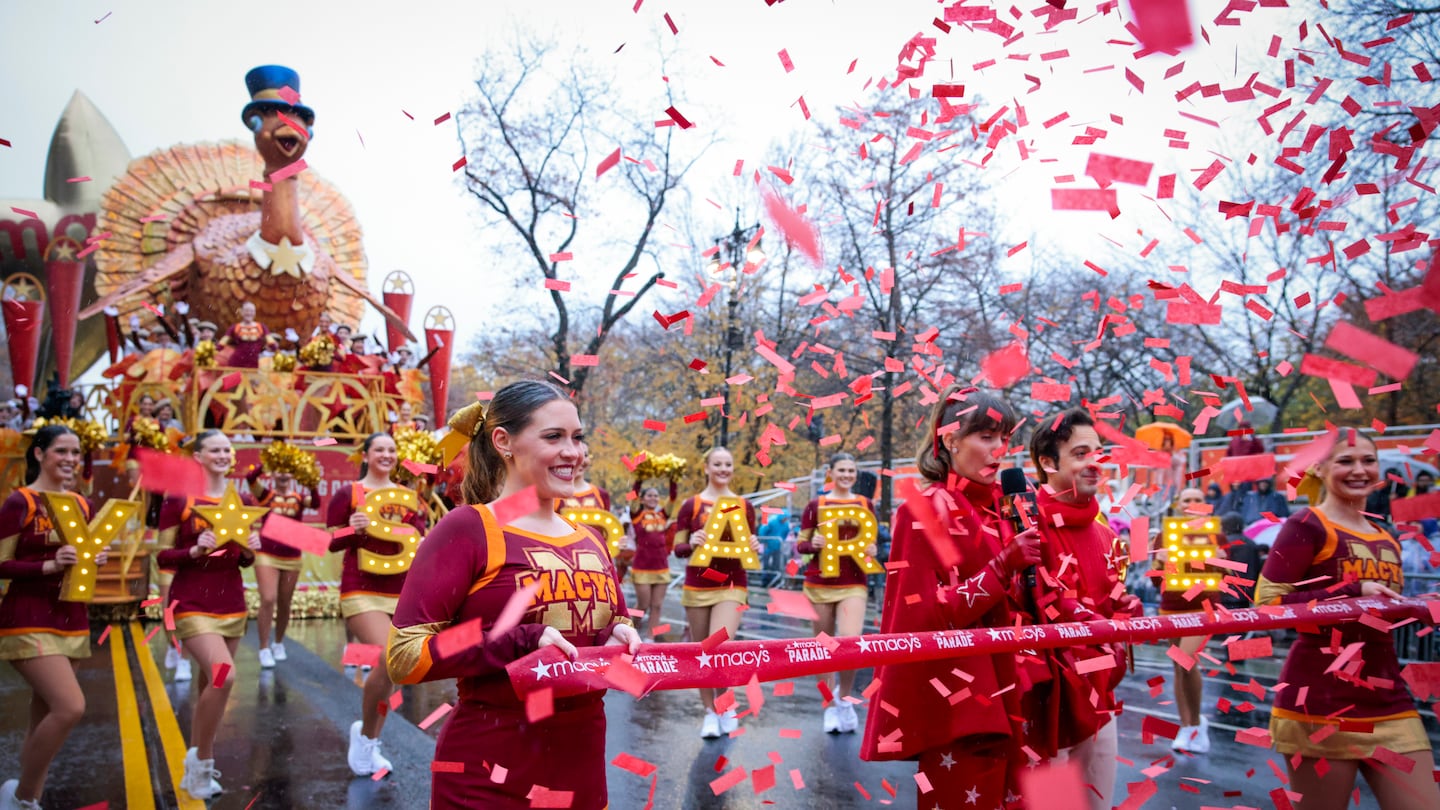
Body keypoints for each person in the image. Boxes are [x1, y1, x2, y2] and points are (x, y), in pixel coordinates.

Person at [387, 382, 638, 808]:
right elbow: (405, 656)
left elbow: (609, 626)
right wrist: (515, 641)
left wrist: (619, 636)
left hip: (582, 773)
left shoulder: (592, 539)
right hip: (487, 776)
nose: (573, 452)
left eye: (577, 437)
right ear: (503, 441)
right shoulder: (467, 529)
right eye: (553, 437)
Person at [860, 386, 1039, 808]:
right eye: (986, 436)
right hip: (962, 709)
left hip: (1014, 693)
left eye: (1004, 438)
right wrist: (1001, 568)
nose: (999, 450)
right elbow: (923, 618)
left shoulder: (1004, 507)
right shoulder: (923, 509)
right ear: (951, 439)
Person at [1255, 428, 1439, 810]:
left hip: (1389, 700)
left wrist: (1419, 607)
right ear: (1320, 469)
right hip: (1319, 701)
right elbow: (1269, 605)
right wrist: (1353, 592)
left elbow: (1381, 612)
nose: (1359, 470)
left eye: (1368, 460)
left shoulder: (1386, 538)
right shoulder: (1305, 525)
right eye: (1346, 461)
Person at [1028, 408, 1142, 810]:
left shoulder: (1108, 535)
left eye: (1099, 452)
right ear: (1047, 462)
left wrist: (1126, 612)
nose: (1095, 462)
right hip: (1043, 710)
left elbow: (1112, 610)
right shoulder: (1023, 529)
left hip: (1099, 704)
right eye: (1080, 453)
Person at [0, 426, 110, 810]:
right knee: (70, 707)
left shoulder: (82, 505)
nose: (70, 459)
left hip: (71, 618)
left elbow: (80, 563)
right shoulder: (21, 502)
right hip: (27, 618)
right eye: (61, 451)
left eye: (76, 452)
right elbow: (1, 563)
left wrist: (93, 560)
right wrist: (48, 564)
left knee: (44, 716)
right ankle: (21, 798)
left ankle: (27, 799)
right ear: (39, 454)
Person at [155, 430, 263, 799]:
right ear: (197, 456)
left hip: (231, 603)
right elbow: (162, 555)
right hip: (192, 602)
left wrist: (251, 549)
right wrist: (192, 551)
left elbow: (243, 560)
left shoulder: (243, 500)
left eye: (226, 450)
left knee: (211, 686)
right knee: (224, 677)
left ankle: (200, 762)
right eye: (214, 449)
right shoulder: (179, 500)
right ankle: (200, 763)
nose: (222, 454)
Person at [327, 432, 428, 777]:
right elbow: (329, 542)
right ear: (366, 455)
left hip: (402, 592)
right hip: (361, 589)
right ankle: (368, 740)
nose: (386, 454)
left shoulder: (409, 497)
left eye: (391, 450)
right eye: (379, 449)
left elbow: (420, 539)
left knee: (395, 671)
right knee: (389, 658)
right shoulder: (348, 494)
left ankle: (368, 737)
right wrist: (350, 530)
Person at [673, 447, 761, 738]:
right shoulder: (691, 505)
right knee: (702, 653)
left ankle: (726, 704)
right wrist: (693, 542)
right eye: (718, 464)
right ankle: (710, 711)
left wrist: (755, 546)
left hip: (732, 585)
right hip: (698, 586)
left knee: (719, 646)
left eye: (728, 464)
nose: (723, 469)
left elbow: (751, 540)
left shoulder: (744, 505)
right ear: (707, 468)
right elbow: (678, 548)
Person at [795, 453, 879, 734]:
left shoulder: (866, 504)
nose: (846, 475)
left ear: (856, 475)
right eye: (841, 470)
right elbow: (801, 544)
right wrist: (813, 544)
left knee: (849, 642)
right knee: (824, 647)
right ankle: (828, 705)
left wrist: (872, 551)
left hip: (853, 582)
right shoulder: (814, 505)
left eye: (851, 470)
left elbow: (871, 543)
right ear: (830, 473)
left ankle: (844, 698)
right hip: (819, 584)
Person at [1150, 486, 1223, 753]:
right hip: (1171, 606)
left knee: (1187, 660)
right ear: (1179, 504)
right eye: (1187, 499)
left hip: (1204, 607)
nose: (1193, 502)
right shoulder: (1164, 534)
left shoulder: (1215, 533)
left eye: (1198, 499)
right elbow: (1155, 574)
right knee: (1178, 666)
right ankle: (1188, 725)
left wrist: (1221, 560)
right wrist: (1160, 561)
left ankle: (1193, 725)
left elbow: (1231, 571)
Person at [246, 456, 320, 668]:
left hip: (292, 555)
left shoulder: (298, 497)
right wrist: (267, 463)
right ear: (273, 474)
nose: (283, 474)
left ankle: (278, 642)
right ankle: (263, 647)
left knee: (285, 602)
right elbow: (250, 477)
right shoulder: (266, 495)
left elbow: (315, 503)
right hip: (266, 553)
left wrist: (311, 482)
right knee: (268, 599)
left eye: (287, 471)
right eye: (279, 471)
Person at [559, 445, 628, 579]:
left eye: (584, 455)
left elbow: (606, 533)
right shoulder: (552, 494)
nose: (579, 460)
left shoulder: (601, 494)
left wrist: (618, 543)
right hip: (564, 567)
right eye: (573, 454)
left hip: (597, 565)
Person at [627, 485, 674, 641]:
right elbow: (631, 496)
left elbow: (673, 497)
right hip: (642, 567)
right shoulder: (637, 514)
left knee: (657, 605)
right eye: (649, 496)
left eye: (656, 496)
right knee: (642, 605)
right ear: (642, 498)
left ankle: (650, 638)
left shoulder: (662, 514)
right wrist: (638, 477)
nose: (653, 498)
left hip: (661, 567)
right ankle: (631, 628)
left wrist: (673, 480)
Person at [1218, 512, 1261, 607]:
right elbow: (1257, 568)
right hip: (1247, 593)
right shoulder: (1251, 543)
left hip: (1227, 594)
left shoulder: (1223, 544)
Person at [217, 301, 272, 369]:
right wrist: (214, 350)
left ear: (254, 313)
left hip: (254, 364)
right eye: (246, 311)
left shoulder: (262, 327)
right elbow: (222, 342)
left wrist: (274, 348)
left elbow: (271, 342)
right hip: (236, 362)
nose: (249, 313)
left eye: (251, 311)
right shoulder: (234, 327)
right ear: (242, 312)